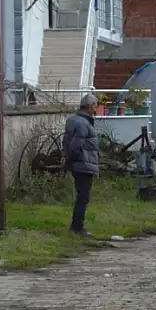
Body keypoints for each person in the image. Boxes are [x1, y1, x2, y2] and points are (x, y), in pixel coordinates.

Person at [63, 94, 101, 237]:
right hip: (84, 164)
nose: (96, 109)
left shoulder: (73, 120)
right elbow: (75, 145)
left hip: (79, 163)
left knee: (81, 195)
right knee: (83, 197)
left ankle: (77, 226)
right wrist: (74, 159)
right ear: (90, 106)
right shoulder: (83, 123)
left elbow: (67, 141)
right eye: (95, 106)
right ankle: (77, 227)